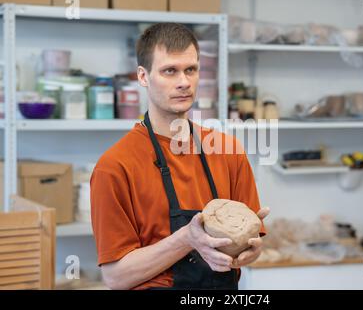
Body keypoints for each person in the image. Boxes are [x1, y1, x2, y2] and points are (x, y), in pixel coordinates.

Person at [90, 23, 269, 290]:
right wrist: (187, 238)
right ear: (143, 76)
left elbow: (251, 246)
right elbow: (116, 278)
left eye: (191, 70)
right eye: (170, 71)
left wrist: (249, 249)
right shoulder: (115, 166)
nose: (184, 82)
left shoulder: (228, 151)